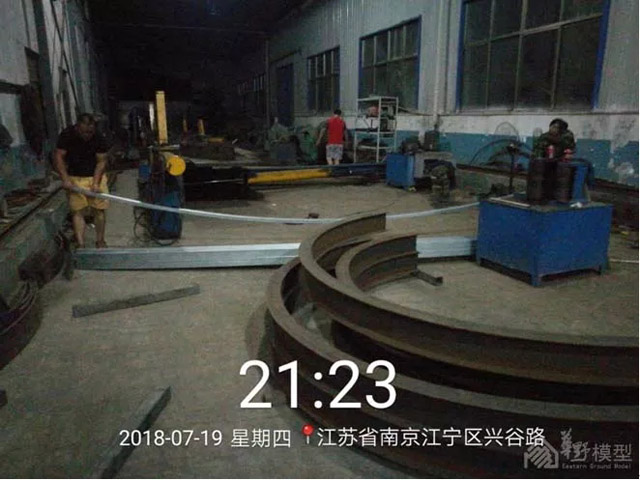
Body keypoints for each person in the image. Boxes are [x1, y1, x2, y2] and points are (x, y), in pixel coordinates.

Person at [54, 113, 109, 248]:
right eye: (84, 132)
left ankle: (100, 241)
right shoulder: (67, 135)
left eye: (90, 132)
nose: (87, 135)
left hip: (94, 176)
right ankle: (81, 244)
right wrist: (65, 179)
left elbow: (101, 161)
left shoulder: (99, 137)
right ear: (77, 127)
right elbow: (59, 156)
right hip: (75, 177)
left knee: (99, 210)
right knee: (78, 211)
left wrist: (96, 183)